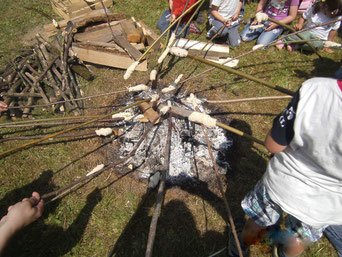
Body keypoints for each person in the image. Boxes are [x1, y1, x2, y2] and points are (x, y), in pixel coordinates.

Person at [228, 77, 342, 257]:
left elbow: (273, 145)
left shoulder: (316, 89)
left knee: (258, 219)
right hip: (327, 206)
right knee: (298, 237)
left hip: (284, 183)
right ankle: (283, 253)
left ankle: (241, 247)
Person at [276, 0, 342, 52]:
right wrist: (300, 24)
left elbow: (334, 30)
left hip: (319, 37)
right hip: (308, 30)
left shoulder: (337, 18)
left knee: (316, 46)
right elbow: (303, 17)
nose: (333, 17)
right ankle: (284, 39)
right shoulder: (314, 7)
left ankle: (295, 45)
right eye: (332, 14)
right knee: (305, 36)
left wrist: (328, 43)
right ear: (326, 7)